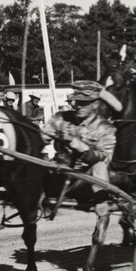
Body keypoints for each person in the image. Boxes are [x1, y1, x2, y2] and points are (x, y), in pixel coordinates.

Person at [41, 79, 123, 218]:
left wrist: (80, 146)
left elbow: (105, 158)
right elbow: (40, 139)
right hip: (57, 178)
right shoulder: (60, 118)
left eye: (84, 103)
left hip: (84, 184)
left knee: (100, 166)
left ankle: (102, 201)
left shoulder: (106, 128)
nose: (78, 106)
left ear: (95, 104)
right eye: (76, 101)